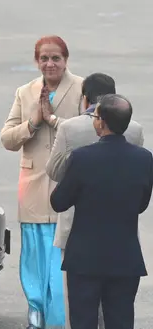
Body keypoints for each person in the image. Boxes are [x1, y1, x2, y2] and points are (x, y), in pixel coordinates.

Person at [46, 73, 144, 329]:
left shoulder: (82, 158)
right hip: (125, 254)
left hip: (85, 256)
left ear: (101, 123)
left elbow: (59, 202)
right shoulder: (144, 158)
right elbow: (142, 203)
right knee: (121, 320)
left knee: (83, 320)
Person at [0, 35, 83, 329]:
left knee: (59, 264)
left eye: (56, 58)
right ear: (37, 61)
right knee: (34, 261)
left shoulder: (81, 88)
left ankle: (60, 322)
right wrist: (33, 123)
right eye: (44, 58)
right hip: (33, 188)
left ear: (66, 59)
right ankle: (36, 317)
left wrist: (53, 121)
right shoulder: (26, 92)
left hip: (68, 188)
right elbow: (7, 138)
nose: (50, 64)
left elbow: (89, 131)